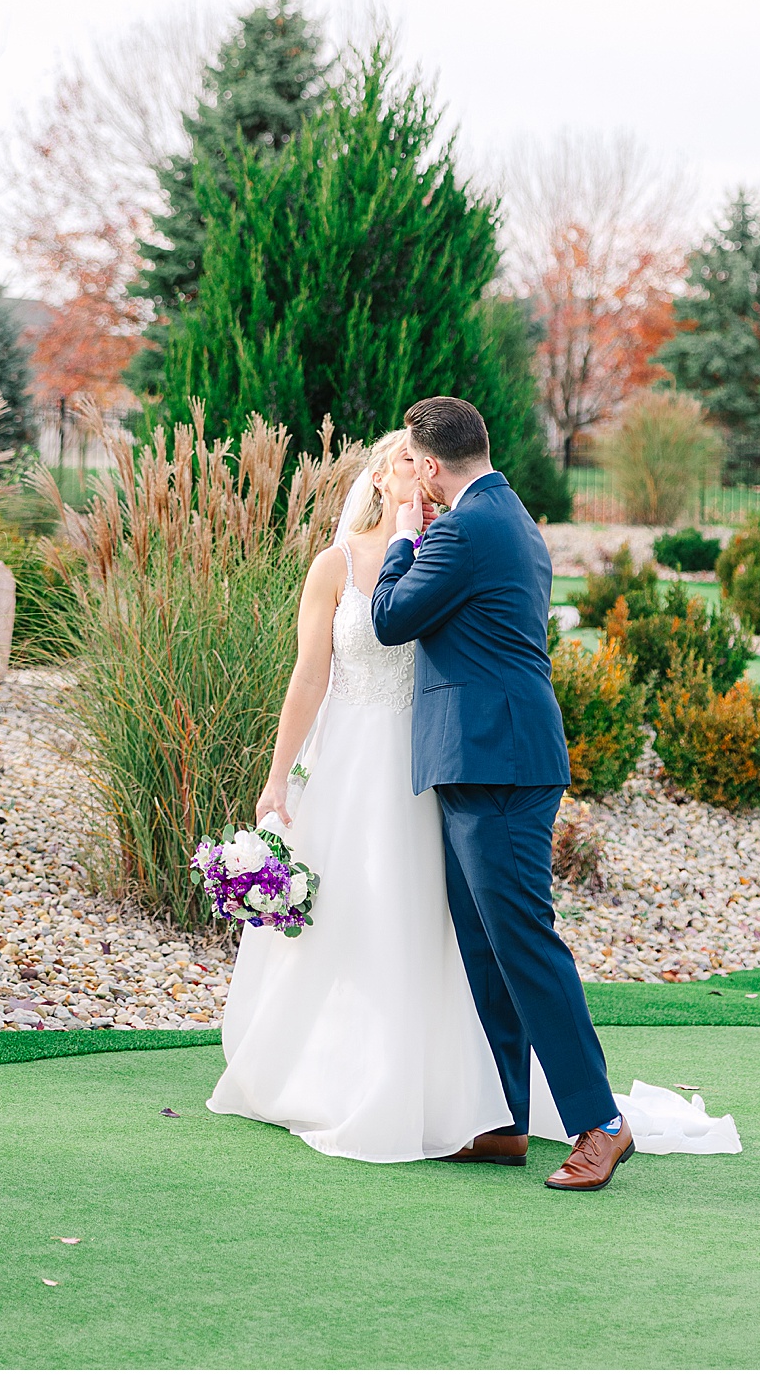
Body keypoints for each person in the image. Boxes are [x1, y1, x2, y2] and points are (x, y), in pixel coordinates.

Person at [205, 429, 512, 1161]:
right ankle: (332, 1071)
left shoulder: (450, 553)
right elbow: (310, 676)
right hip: (347, 761)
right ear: (378, 477)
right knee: (345, 912)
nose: (419, 469)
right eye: (404, 458)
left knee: (420, 916)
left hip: (424, 760)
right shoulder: (334, 565)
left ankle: (440, 1091)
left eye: (424, 459)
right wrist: (278, 780)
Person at [373, 395, 632, 1193]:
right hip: (482, 757)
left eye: (412, 465)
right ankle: (507, 1120)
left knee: (524, 943)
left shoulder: (462, 528)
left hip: (502, 762)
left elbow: (390, 618)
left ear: (428, 466)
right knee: (486, 947)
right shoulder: (508, 512)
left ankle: (603, 1124)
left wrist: (402, 534)